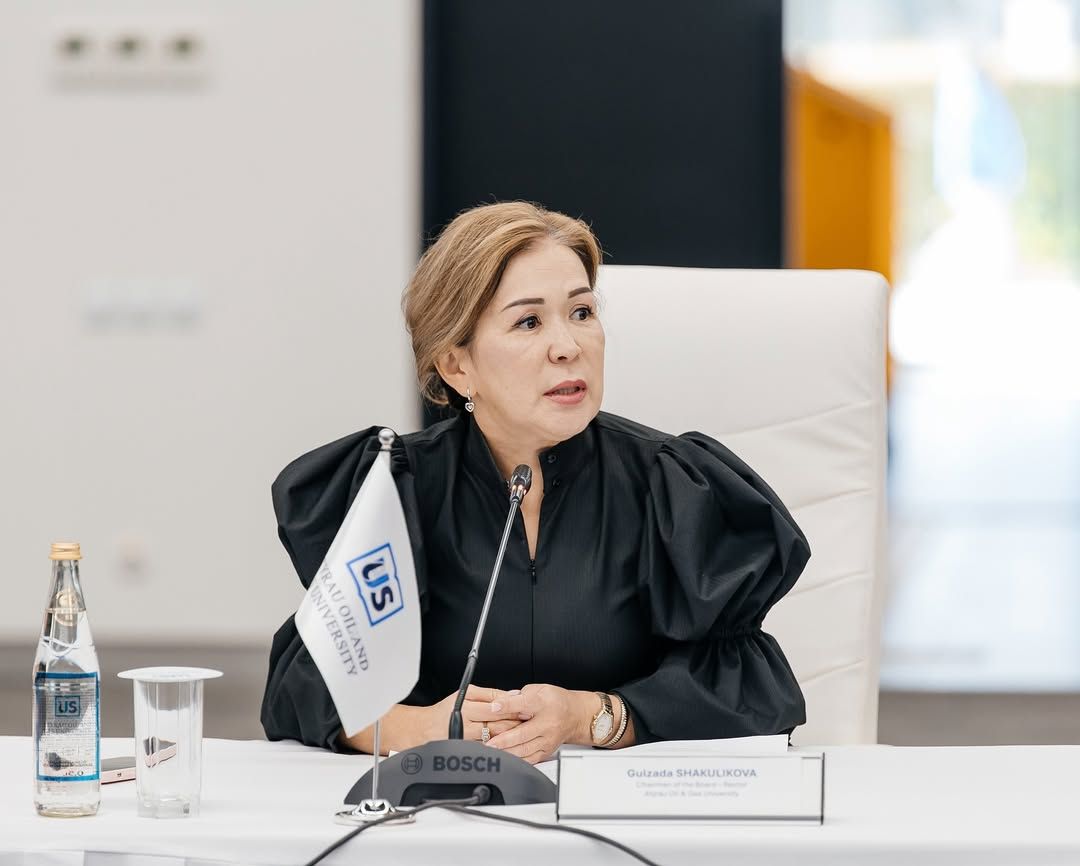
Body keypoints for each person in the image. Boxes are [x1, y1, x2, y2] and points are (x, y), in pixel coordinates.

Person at [261, 202, 810, 763]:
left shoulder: (670, 486)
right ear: (456, 366)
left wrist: (594, 717)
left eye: (582, 312)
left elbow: (755, 693)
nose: (568, 346)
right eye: (529, 322)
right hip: (443, 804)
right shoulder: (399, 490)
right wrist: (409, 728)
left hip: (618, 809)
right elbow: (300, 686)